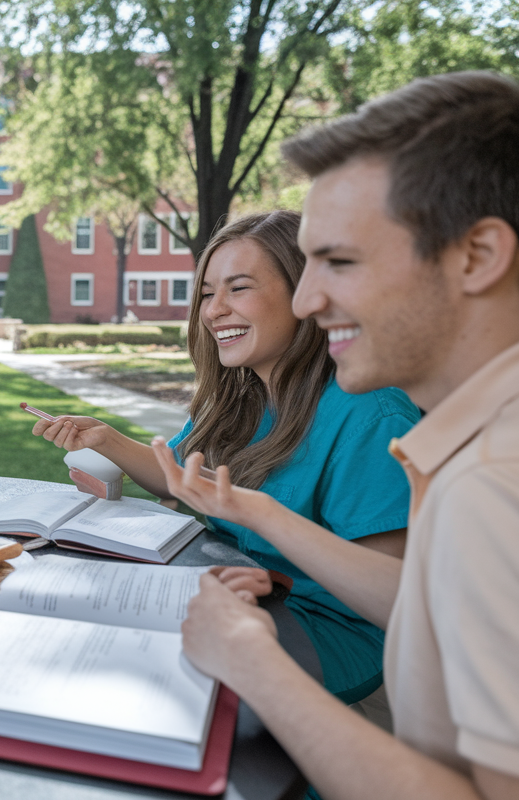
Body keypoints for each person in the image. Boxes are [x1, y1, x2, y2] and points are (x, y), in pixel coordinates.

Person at [154, 71, 519, 800]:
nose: (310, 298)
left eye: (341, 261)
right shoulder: (460, 453)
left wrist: (253, 662)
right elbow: (429, 605)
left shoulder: (490, 481)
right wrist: (270, 545)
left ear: (478, 257)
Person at [33, 211, 418, 711]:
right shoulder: (243, 399)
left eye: (238, 289)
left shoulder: (370, 413)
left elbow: (392, 600)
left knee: (131, 675)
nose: (214, 311)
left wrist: (274, 566)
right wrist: (105, 440)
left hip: (329, 631)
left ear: (306, 294)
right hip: (243, 592)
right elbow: (178, 476)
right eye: (207, 294)